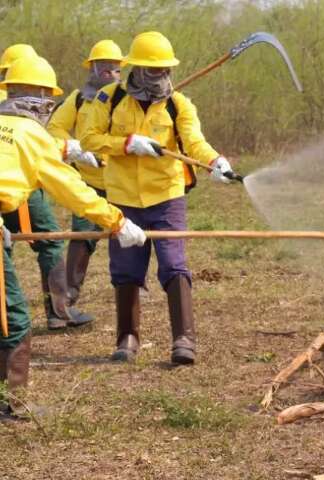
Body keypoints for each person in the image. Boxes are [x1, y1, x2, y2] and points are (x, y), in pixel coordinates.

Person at [0, 55, 146, 420]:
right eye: (48, 98)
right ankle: (13, 406)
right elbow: (71, 190)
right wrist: (116, 221)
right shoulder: (33, 135)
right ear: (40, 97)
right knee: (13, 318)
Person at [81, 31, 237, 365]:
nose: (160, 77)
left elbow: (194, 142)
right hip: (123, 198)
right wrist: (126, 144)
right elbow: (89, 140)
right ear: (135, 68)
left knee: (174, 264)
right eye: (153, 70)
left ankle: (184, 339)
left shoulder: (178, 103)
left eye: (165, 70)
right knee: (125, 269)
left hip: (167, 197)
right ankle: (127, 338)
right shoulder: (109, 99)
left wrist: (215, 162)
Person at [0, 43, 94, 330]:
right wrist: (66, 148)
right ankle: (59, 311)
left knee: (5, 251)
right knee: (50, 240)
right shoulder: (20, 104)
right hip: (20, 185)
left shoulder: (10, 101)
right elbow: (31, 147)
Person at [48, 39, 124, 306]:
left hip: (123, 182)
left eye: (115, 68)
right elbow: (55, 127)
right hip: (87, 182)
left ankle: (128, 289)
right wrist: (77, 148)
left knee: (124, 234)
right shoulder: (78, 99)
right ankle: (70, 293)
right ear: (92, 68)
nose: (110, 72)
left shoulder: (129, 99)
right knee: (82, 235)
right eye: (103, 67)